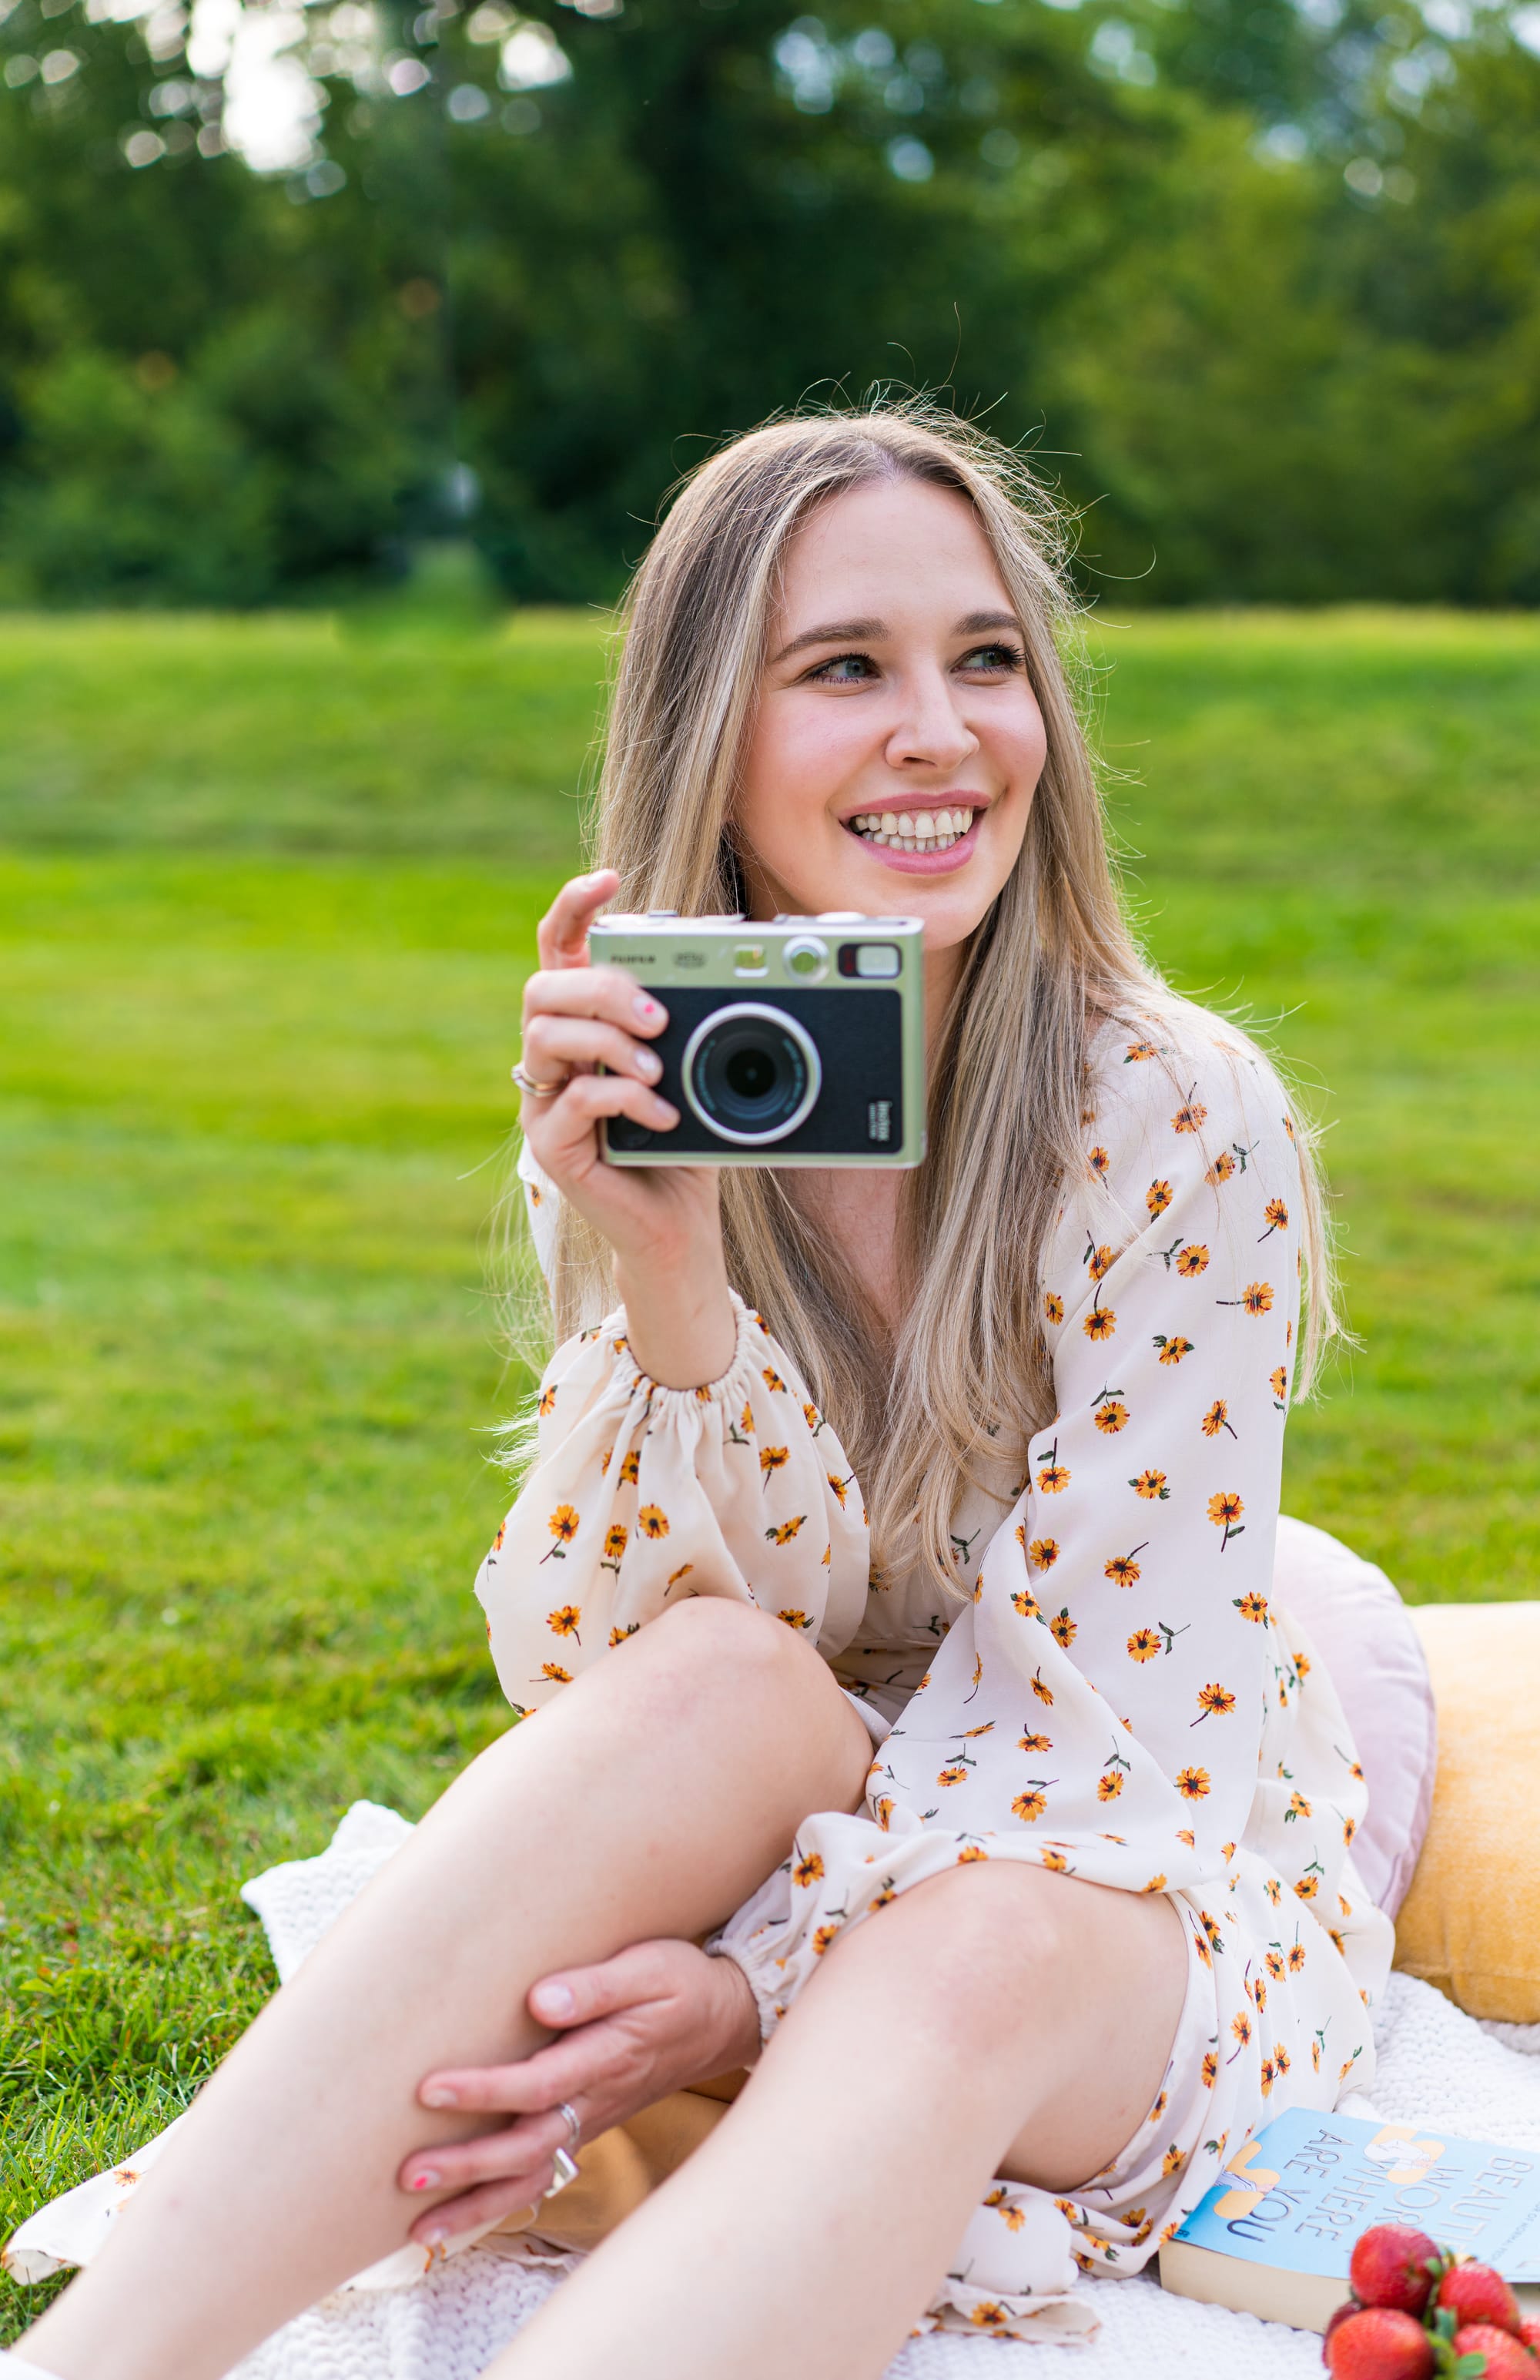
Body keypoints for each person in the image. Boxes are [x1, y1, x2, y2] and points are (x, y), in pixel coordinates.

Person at [2, 405, 1392, 2380]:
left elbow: (1094, 1760)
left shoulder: (1172, 1114)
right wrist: (670, 1278)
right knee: (720, 1680)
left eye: (985, 660)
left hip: (1131, 1885)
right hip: (835, 1798)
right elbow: (609, 1673)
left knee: (973, 1942)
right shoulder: (671, 1079)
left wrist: (743, 1992)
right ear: (709, 740)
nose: (942, 734)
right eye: (846, 670)